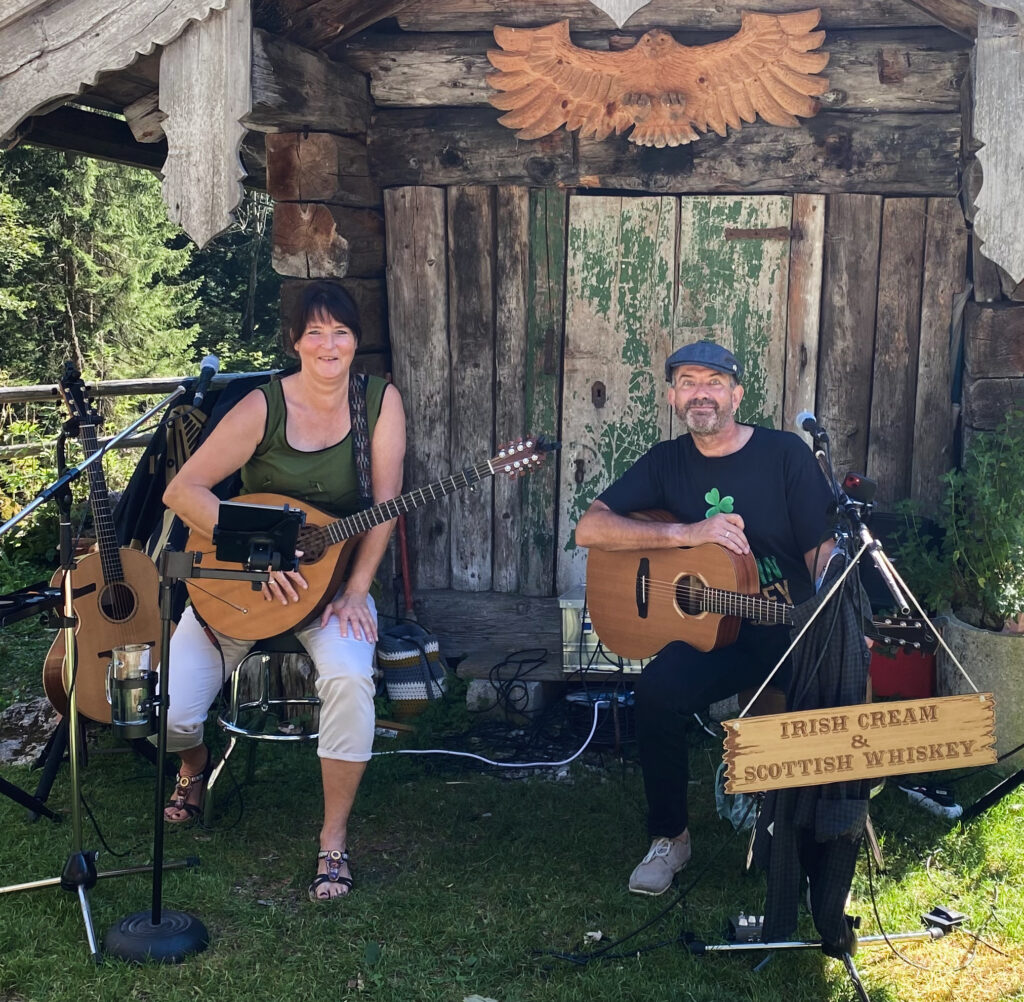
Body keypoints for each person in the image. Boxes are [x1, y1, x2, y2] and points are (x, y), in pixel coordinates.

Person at [159, 281, 406, 901]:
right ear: (295, 341)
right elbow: (184, 491)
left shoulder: (378, 403)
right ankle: (193, 769)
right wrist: (252, 553)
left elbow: (384, 509)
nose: (329, 345)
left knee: (350, 681)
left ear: (356, 341)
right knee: (175, 718)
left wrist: (355, 591)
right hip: (242, 588)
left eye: (342, 332)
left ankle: (333, 841)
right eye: (315, 332)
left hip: (328, 593)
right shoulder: (262, 406)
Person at [574, 340, 835, 896]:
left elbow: (822, 549)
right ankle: (671, 836)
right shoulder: (667, 463)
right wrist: (684, 534)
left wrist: (837, 597)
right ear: (673, 397)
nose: (701, 393)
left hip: (786, 628)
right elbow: (589, 529)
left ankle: (812, 841)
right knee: (656, 693)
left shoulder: (784, 455)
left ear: (736, 395)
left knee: (823, 698)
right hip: (716, 634)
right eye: (688, 382)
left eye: (713, 382)